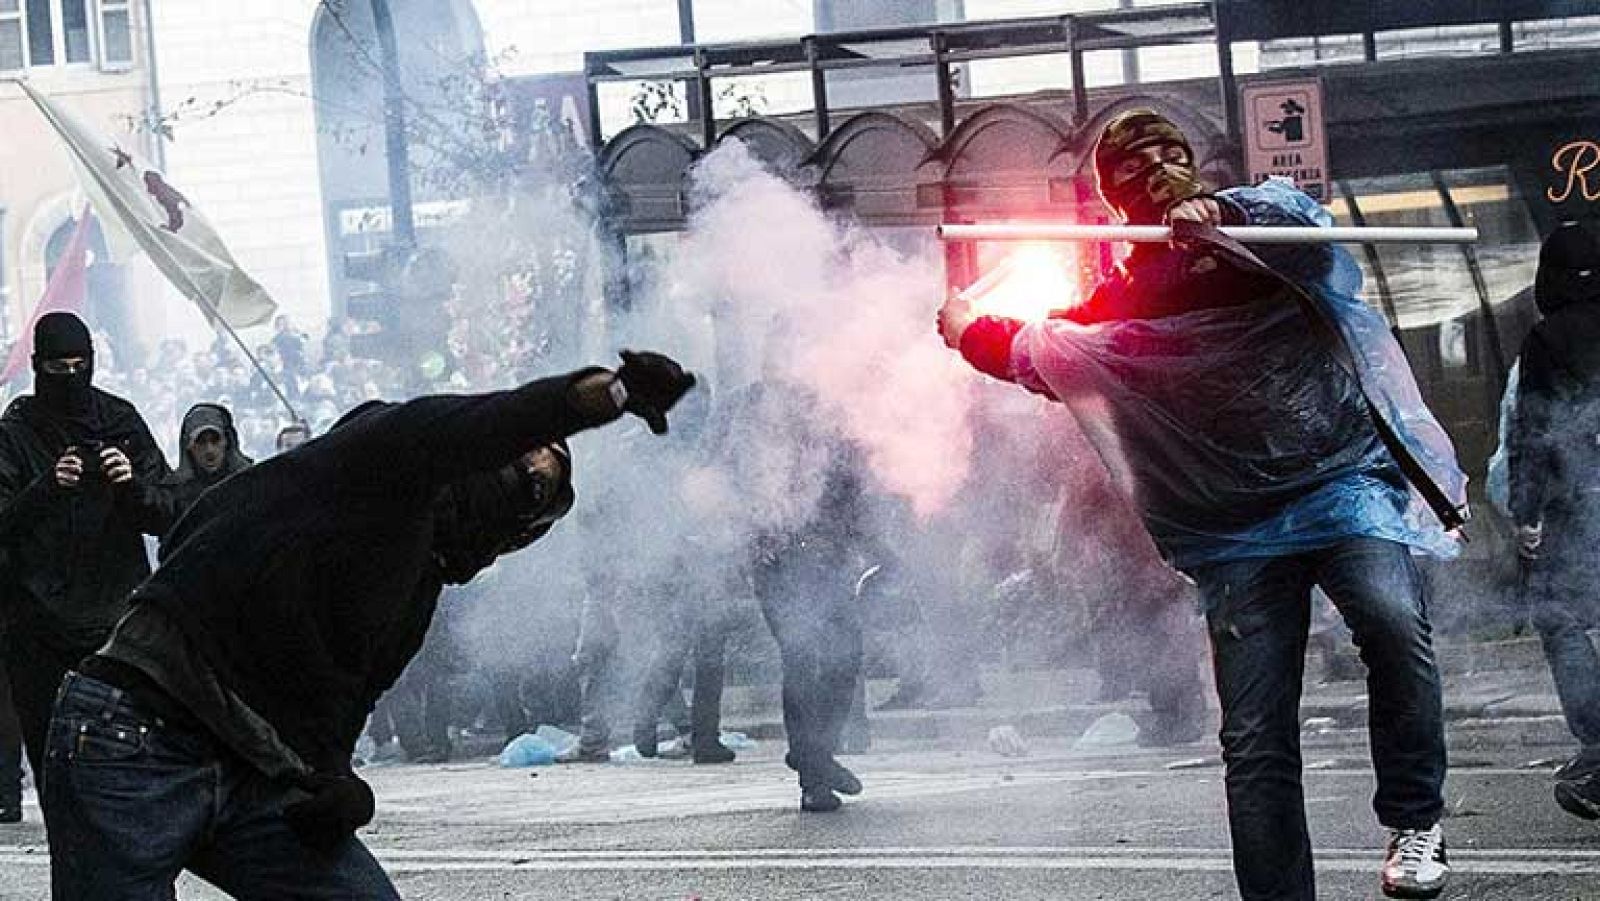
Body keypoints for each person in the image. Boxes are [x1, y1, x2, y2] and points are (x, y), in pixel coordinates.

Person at [938, 109, 1464, 900]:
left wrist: (1223, 215)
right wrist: (966, 330)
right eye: (1136, 165)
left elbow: (1302, 219)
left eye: (1169, 154)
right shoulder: (1121, 298)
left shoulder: (1264, 233)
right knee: (1253, 733)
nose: (1157, 168)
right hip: (1236, 523)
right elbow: (1047, 353)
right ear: (1116, 203)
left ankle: (1415, 818)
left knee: (1391, 618)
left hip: (1338, 478)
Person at [42, 351, 692, 899]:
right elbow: (485, 422)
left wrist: (335, 778)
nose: (530, 490)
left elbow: (345, 700)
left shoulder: (417, 589)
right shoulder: (384, 460)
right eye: (529, 473)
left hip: (243, 760)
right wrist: (604, 395)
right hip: (132, 735)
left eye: (541, 501)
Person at [0, 311, 171, 787]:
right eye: (58, 369)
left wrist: (131, 486)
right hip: (39, 628)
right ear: (38, 367)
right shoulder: (16, 432)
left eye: (80, 366)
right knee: (57, 766)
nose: (71, 378)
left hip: (117, 622)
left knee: (127, 764)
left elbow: (168, 512)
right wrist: (47, 488)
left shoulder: (120, 420)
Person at [1506, 219, 1600, 821]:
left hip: (1578, 499)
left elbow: (1533, 430)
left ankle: (1596, 745)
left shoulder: (1548, 339)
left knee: (1561, 616)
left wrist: (1525, 512)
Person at [163, 402, 254, 523]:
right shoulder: (174, 495)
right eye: (201, 442)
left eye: (215, 440)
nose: (209, 450)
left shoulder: (251, 483)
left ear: (226, 441)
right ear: (189, 447)